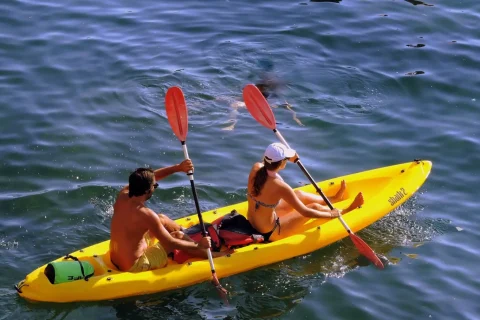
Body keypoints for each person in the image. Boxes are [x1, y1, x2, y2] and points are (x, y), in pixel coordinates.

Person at [110, 160, 228, 272]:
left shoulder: (123, 195)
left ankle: (188, 234)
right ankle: (210, 254)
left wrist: (178, 167)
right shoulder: (146, 215)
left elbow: (151, 177)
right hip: (135, 265)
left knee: (162, 218)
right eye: (154, 186)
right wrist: (198, 245)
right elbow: (170, 242)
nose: (155, 186)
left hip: (116, 257)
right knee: (178, 236)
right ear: (147, 191)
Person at [247, 142, 365, 241]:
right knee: (313, 207)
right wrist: (330, 214)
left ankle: (334, 199)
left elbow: (269, 168)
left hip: (254, 222)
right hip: (270, 232)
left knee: (299, 194)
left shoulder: (256, 167)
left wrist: (287, 158)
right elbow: (305, 212)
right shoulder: (280, 186)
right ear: (282, 163)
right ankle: (344, 212)